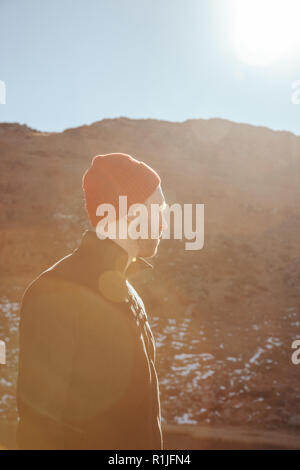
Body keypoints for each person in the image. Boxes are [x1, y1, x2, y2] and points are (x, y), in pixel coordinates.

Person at [16, 153, 167, 449]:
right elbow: (39, 427)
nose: (164, 222)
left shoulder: (131, 296)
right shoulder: (55, 292)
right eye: (157, 209)